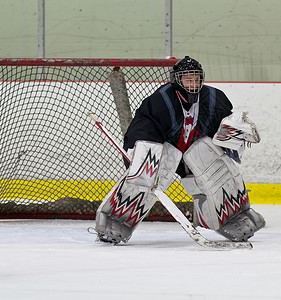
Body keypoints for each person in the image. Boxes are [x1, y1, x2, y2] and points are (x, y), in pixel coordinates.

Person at [94, 56, 265, 244]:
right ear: (177, 80)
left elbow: (222, 129)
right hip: (167, 150)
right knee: (148, 171)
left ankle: (232, 217)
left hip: (194, 152)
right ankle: (117, 220)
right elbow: (143, 126)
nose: (193, 84)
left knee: (213, 162)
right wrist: (137, 151)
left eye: (196, 79)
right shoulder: (161, 100)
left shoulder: (215, 98)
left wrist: (235, 132)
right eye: (188, 80)